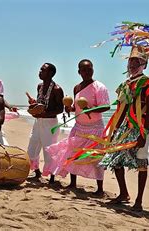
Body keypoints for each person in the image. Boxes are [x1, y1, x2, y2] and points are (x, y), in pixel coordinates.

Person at [98, 47, 149, 210]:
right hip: (125, 127)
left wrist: (143, 132)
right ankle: (124, 193)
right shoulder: (125, 84)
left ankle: (139, 201)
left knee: (141, 162)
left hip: (141, 127)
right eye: (131, 61)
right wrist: (115, 128)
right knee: (115, 158)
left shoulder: (147, 83)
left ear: (144, 64)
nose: (132, 64)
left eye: (137, 61)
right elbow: (121, 109)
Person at [46, 59, 110, 195]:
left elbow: (106, 106)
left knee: (96, 158)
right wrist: (70, 108)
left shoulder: (100, 86)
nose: (87, 72)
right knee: (73, 154)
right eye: (84, 70)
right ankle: (73, 183)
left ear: (93, 70)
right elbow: (77, 107)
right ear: (79, 72)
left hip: (95, 128)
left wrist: (90, 109)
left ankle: (100, 189)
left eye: (90, 69)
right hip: (79, 127)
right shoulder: (77, 88)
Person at [26, 63, 64, 183]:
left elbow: (60, 109)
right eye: (40, 69)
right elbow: (41, 103)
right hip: (38, 122)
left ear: (51, 73)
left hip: (50, 123)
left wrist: (44, 114)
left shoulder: (57, 89)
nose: (40, 72)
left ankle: (52, 177)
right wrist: (34, 104)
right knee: (33, 146)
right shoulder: (39, 86)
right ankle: (37, 172)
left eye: (43, 70)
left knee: (49, 150)